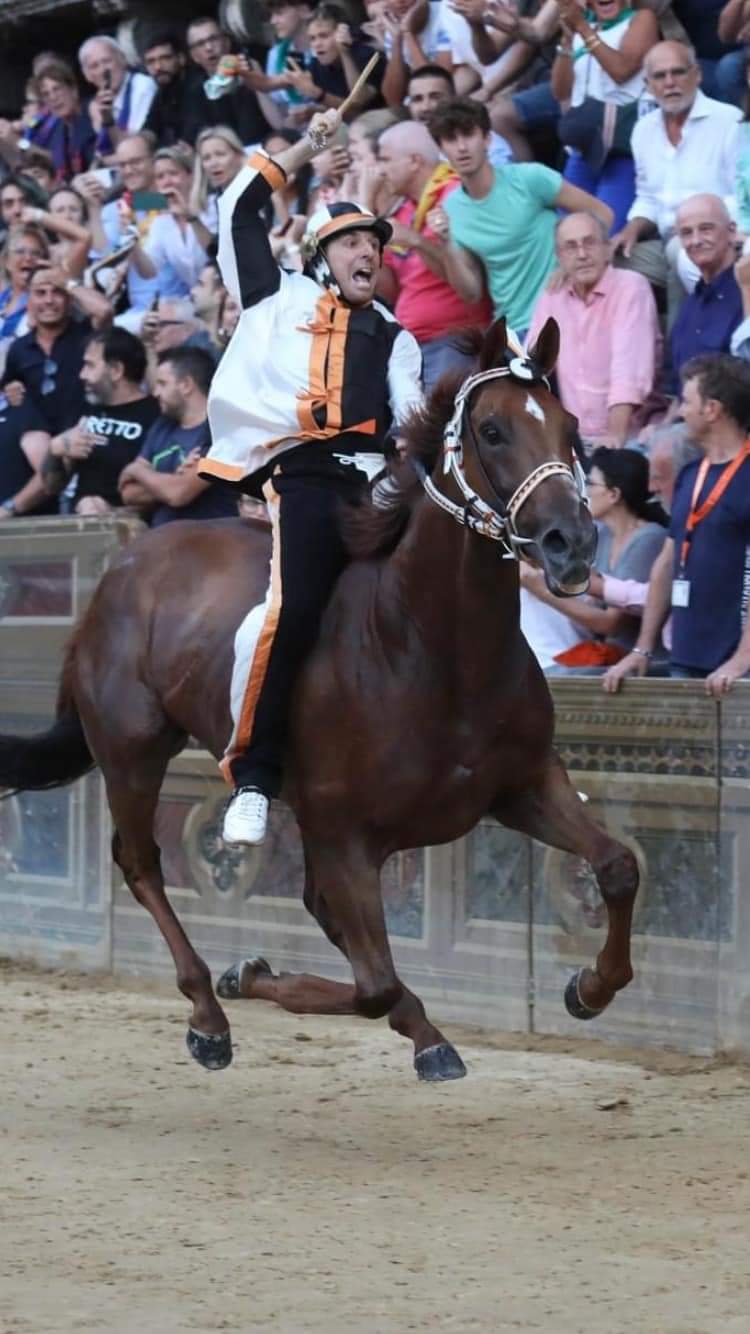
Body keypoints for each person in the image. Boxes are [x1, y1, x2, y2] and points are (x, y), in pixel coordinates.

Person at [197, 107, 422, 846]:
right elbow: (237, 205)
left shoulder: (395, 334)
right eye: (353, 242)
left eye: (375, 244)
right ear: (324, 255)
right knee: (292, 613)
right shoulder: (274, 294)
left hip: (380, 486)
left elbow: (413, 420)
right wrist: (304, 146)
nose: (369, 254)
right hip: (307, 482)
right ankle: (255, 776)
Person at [604, 354, 750, 695]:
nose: (680, 412)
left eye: (687, 402)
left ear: (712, 410)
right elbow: (666, 564)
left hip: (737, 668)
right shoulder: (689, 475)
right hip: (686, 657)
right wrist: (642, 648)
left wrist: (743, 658)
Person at [427, 96, 613, 337]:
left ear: (487, 139)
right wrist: (445, 244)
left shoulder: (529, 178)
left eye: (469, 135)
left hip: (565, 314)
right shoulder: (451, 208)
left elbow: (602, 214)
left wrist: (573, 265)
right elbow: (471, 293)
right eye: (451, 139)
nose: (462, 147)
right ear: (442, 150)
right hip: (512, 329)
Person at [611, 41, 741, 312]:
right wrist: (632, 228)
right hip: (667, 242)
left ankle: (685, 346)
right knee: (604, 259)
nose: (670, 83)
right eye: (660, 76)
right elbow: (647, 197)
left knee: (680, 253)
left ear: (697, 75)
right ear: (648, 85)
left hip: (722, 240)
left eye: (678, 72)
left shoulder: (729, 122)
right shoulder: (643, 131)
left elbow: (743, 197)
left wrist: (697, 229)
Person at [521, 446, 668, 673]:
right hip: (604, 656)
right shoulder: (603, 533)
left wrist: (540, 588)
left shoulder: (648, 538)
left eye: (590, 484)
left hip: (635, 661)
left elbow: (611, 623)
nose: (584, 491)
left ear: (614, 495)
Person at [527, 210, 660, 448]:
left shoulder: (630, 287)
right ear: (559, 256)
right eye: (571, 247)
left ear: (607, 248)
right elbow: (532, 362)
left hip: (631, 435)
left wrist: (615, 436)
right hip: (574, 438)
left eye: (589, 243)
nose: (581, 254)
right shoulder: (553, 296)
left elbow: (628, 370)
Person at [377, 119, 492, 389]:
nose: (380, 171)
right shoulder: (405, 209)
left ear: (414, 161)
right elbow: (389, 290)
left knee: (442, 427)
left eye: (385, 160)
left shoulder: (454, 196)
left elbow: (467, 281)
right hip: (412, 345)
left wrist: (418, 242)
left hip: (453, 342)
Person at [550, 0, 659, 234]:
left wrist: (583, 28)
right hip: (583, 150)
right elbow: (560, 92)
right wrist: (567, 42)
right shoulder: (583, 27)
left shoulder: (641, 18)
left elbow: (621, 70)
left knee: (606, 233)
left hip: (622, 150)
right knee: (568, 232)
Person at [39, 328, 159, 515]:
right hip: (81, 527)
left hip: (135, 532)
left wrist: (111, 513)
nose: (82, 375)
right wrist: (54, 451)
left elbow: (162, 496)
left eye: (90, 366)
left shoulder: (155, 416)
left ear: (116, 370)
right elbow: (51, 487)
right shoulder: (85, 409)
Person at [118, 346, 235, 526]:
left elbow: (179, 494)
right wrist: (171, 482)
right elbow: (129, 493)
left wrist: (137, 470)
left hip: (210, 543)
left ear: (186, 385)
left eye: (162, 383)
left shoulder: (222, 431)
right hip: (161, 541)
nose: (155, 393)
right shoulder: (162, 426)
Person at [670, 194, 744, 390]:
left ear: (732, 231)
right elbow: (679, 391)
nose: (696, 240)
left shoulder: (746, 292)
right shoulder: (689, 307)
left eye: (706, 229)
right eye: (686, 233)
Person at [184, 15, 270, 147]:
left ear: (227, 42)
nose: (209, 47)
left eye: (213, 39)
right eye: (200, 44)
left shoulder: (249, 69)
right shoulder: (195, 91)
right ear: (194, 56)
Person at [78, 35, 157, 156]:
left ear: (123, 59)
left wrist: (108, 121)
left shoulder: (142, 86)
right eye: (94, 66)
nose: (103, 70)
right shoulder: (96, 104)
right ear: (87, 75)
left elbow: (137, 147)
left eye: (107, 61)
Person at [141, 30, 193, 148]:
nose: (158, 67)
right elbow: (150, 129)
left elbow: (188, 140)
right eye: (151, 62)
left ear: (181, 59)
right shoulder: (162, 92)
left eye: (165, 58)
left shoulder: (196, 87)